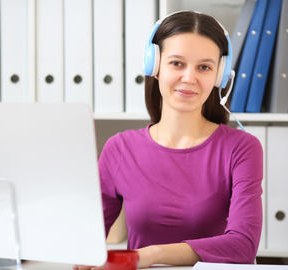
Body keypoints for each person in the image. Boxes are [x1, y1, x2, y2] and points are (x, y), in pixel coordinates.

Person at [75, 10, 263, 269]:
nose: (189, 77)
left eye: (204, 67)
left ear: (219, 75)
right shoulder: (119, 148)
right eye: (177, 63)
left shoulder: (241, 148)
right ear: (155, 65)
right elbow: (85, 242)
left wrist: (148, 255)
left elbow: (243, 245)